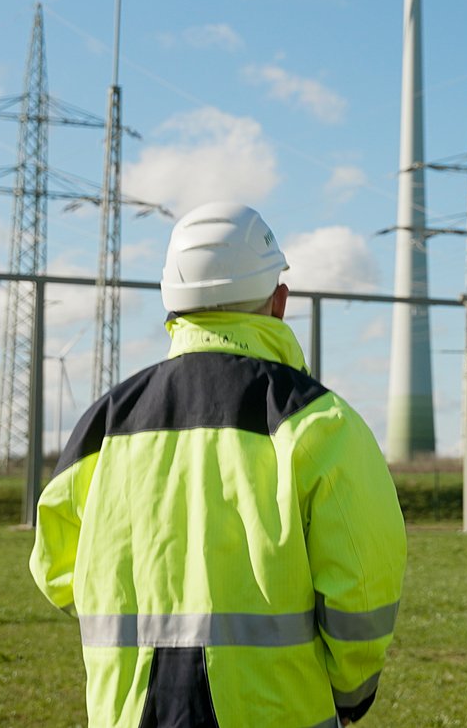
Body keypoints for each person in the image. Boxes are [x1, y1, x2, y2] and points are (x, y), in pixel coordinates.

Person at [31, 201, 406, 728]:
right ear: (279, 301)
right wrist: (351, 693)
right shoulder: (320, 423)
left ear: (173, 305)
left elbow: (54, 565)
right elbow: (363, 585)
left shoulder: (105, 423)